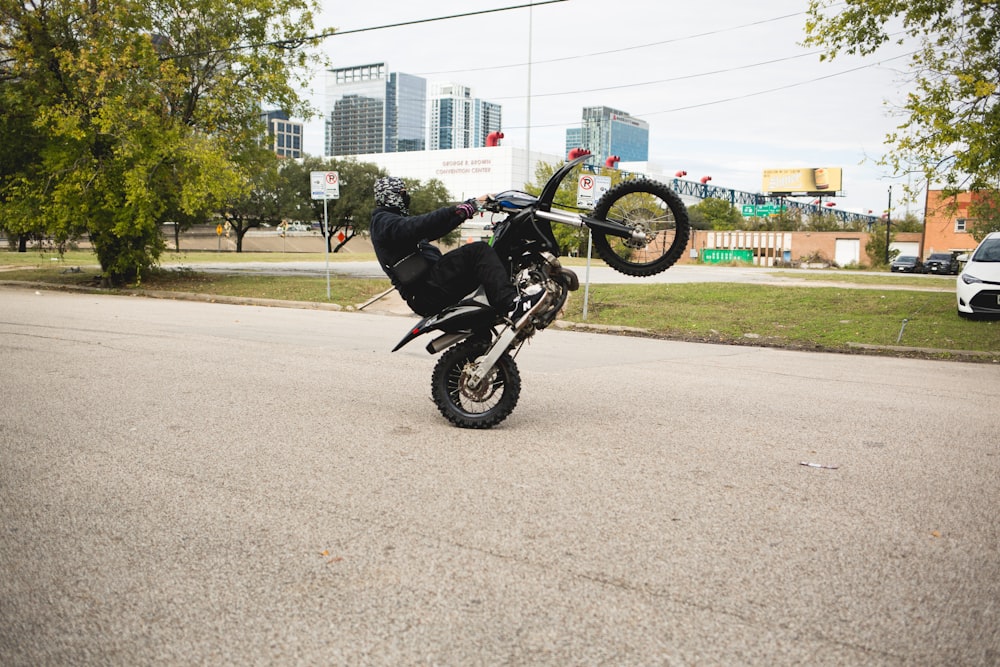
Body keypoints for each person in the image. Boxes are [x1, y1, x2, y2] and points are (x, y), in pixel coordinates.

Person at [369, 176, 547, 326]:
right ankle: (514, 305)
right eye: (402, 193)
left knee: (493, 253)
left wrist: (471, 208)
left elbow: (437, 229)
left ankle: (512, 299)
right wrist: (462, 207)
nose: (406, 197)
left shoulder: (394, 226)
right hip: (426, 291)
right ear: (389, 196)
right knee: (477, 251)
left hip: (430, 288)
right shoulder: (383, 221)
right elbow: (419, 225)